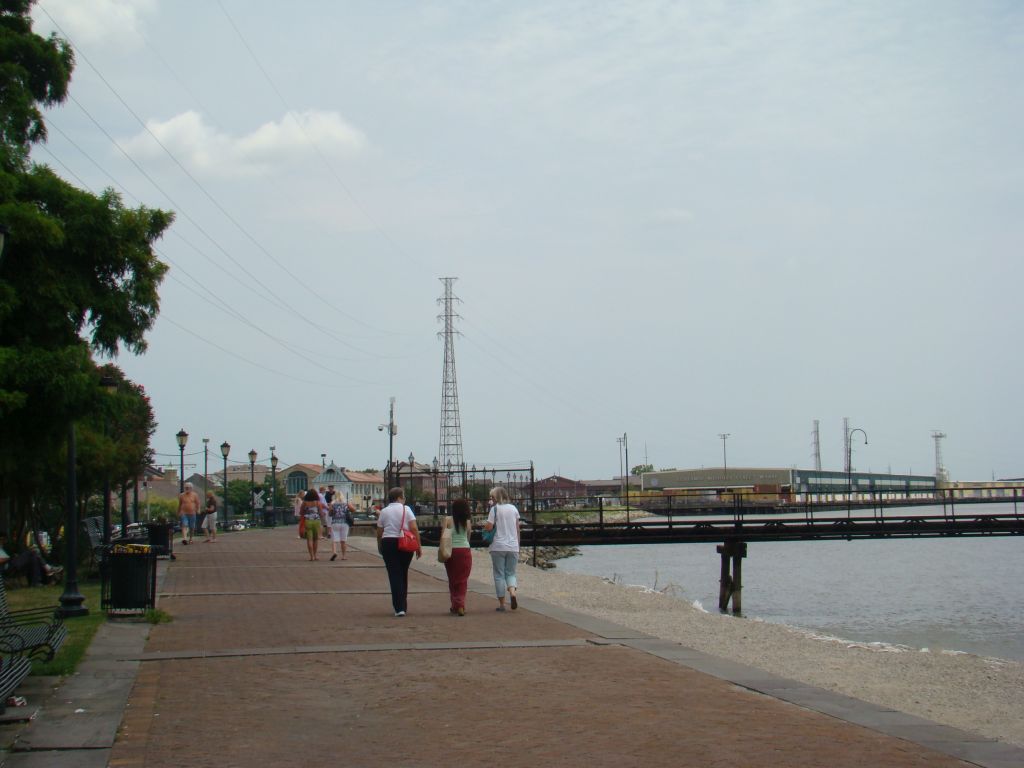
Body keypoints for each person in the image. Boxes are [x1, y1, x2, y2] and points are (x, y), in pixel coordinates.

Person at [375, 487, 421, 616]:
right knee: (403, 573)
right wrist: (418, 546)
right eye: (404, 496)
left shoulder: (384, 512)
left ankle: (399, 607)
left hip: (388, 543)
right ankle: (403, 605)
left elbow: (379, 532)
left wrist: (380, 546)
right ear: (399, 498)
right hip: (405, 543)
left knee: (394, 574)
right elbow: (414, 528)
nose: (405, 499)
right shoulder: (406, 509)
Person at [484, 486, 520, 611]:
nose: (491, 499)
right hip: (513, 546)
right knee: (511, 572)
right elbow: (517, 529)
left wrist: (485, 526)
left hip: (498, 546)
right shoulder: (514, 509)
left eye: (492, 497)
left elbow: (489, 527)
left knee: (499, 574)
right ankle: (513, 593)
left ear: (496, 497)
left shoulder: (494, 509)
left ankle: (502, 604)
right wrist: (518, 545)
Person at [443, 498, 473, 616]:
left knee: (452, 579)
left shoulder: (448, 520)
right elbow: (468, 536)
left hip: (451, 551)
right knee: (462, 579)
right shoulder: (468, 522)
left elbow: (444, 536)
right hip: (464, 550)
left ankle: (455, 604)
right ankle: (460, 604)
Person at [300, 489, 323, 561]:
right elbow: (321, 513)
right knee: (315, 539)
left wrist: (306, 513)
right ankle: (315, 556)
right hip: (316, 521)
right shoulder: (318, 503)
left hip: (308, 521)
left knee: (309, 539)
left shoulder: (304, 502)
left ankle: (311, 556)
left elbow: (301, 512)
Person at [328, 495, 352, 561]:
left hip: (335, 523)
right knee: (343, 541)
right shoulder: (346, 503)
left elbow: (330, 514)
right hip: (344, 523)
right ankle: (344, 556)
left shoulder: (333, 504)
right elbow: (352, 510)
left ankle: (335, 552)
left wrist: (330, 506)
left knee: (334, 540)